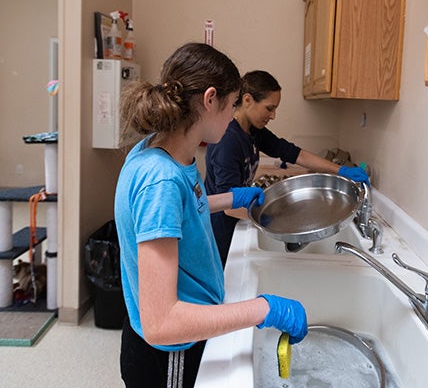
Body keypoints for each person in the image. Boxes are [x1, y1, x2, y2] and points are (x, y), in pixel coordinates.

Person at [114, 44, 308, 388]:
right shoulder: (161, 180)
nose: (233, 115)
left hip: (183, 333)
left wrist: (228, 198)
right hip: (170, 351)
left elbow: (186, 208)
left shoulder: (165, 151)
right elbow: (162, 321)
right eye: (232, 104)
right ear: (209, 99)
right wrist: (263, 310)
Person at [204, 70, 370, 266]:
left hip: (237, 225)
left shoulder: (252, 131)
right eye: (269, 108)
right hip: (222, 235)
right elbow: (228, 207)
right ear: (247, 100)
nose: (273, 115)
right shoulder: (228, 141)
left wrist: (339, 170)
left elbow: (294, 153)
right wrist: (276, 220)